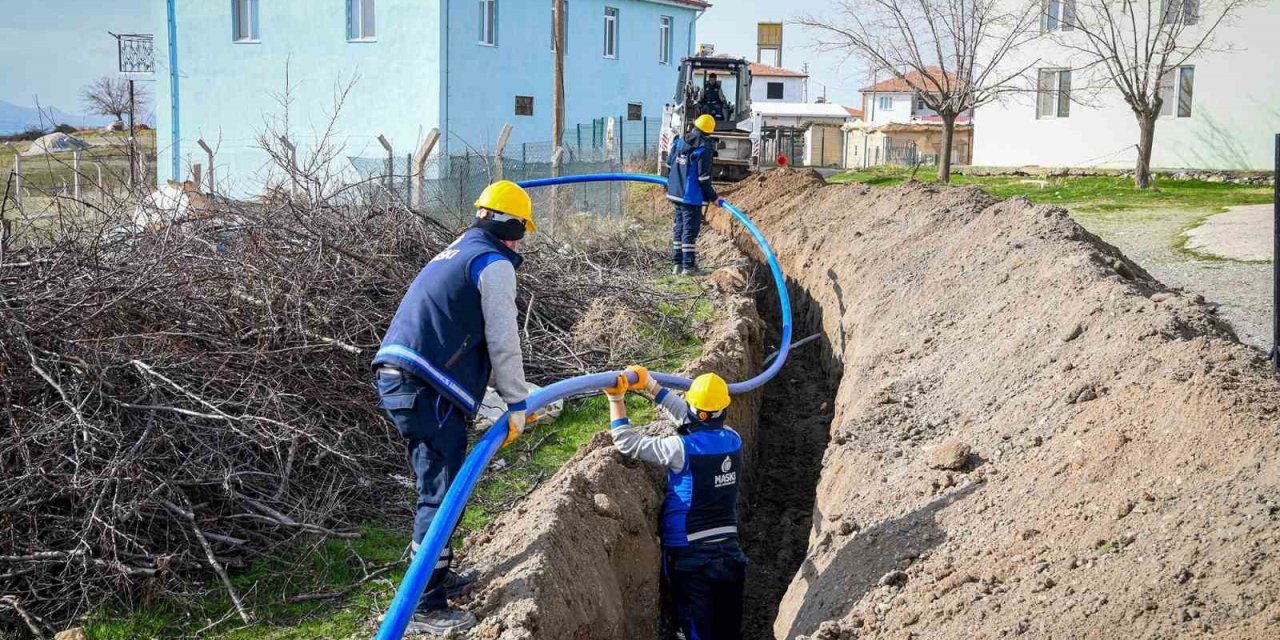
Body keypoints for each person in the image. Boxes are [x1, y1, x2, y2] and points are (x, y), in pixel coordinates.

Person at [372, 180, 537, 635]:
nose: (518, 242)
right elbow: (503, 339)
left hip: (409, 376)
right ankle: (424, 602)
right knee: (441, 492)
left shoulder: (458, 249)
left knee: (446, 488)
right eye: (520, 231)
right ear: (510, 225)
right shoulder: (493, 264)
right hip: (423, 384)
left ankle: (436, 575)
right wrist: (517, 402)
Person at [602, 366, 748, 640]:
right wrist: (651, 385)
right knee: (728, 630)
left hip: (690, 554)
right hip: (730, 555)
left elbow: (626, 442)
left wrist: (615, 398)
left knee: (695, 630)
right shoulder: (733, 440)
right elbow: (694, 418)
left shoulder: (680, 449)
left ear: (697, 411)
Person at [666, 114, 718, 276]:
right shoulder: (704, 148)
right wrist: (714, 197)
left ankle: (677, 264)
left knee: (679, 228)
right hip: (691, 196)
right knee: (689, 230)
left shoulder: (679, 142)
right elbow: (703, 178)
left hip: (676, 192)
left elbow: (669, 164)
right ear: (709, 132)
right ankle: (688, 266)